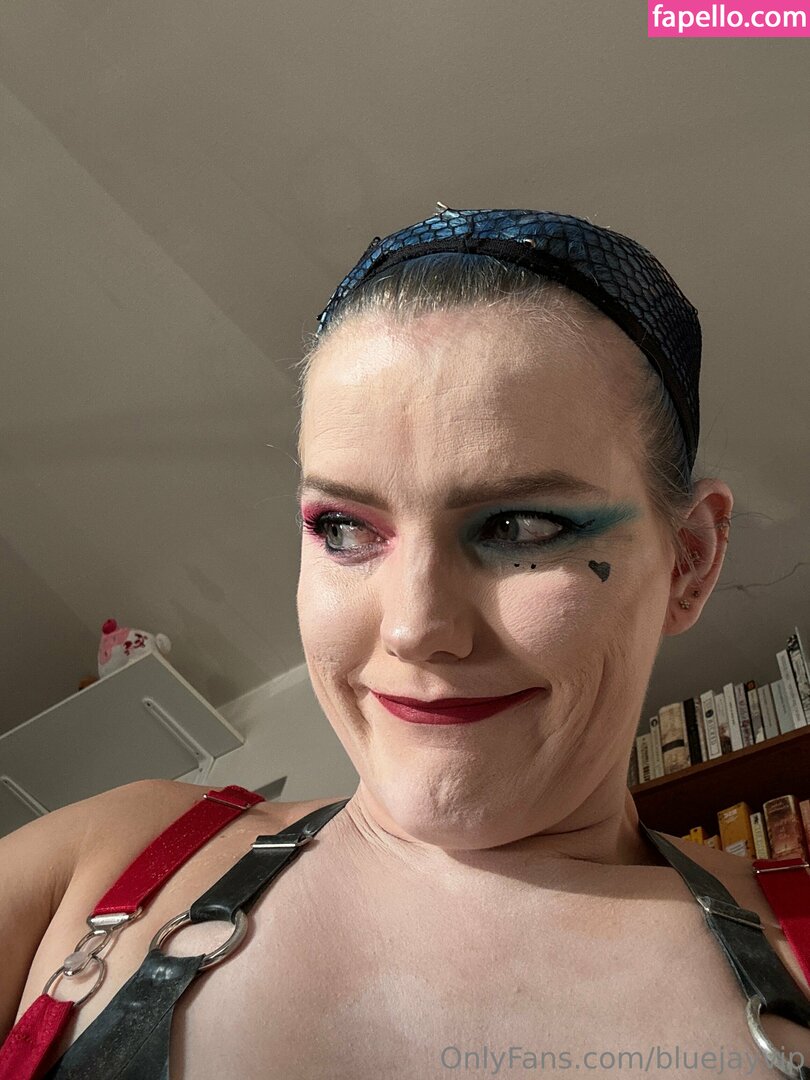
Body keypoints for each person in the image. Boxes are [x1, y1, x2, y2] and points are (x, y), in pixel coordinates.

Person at [2, 205, 809, 1080]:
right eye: (345, 528)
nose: (414, 628)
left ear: (689, 560)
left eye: (521, 525)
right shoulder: (112, 857)